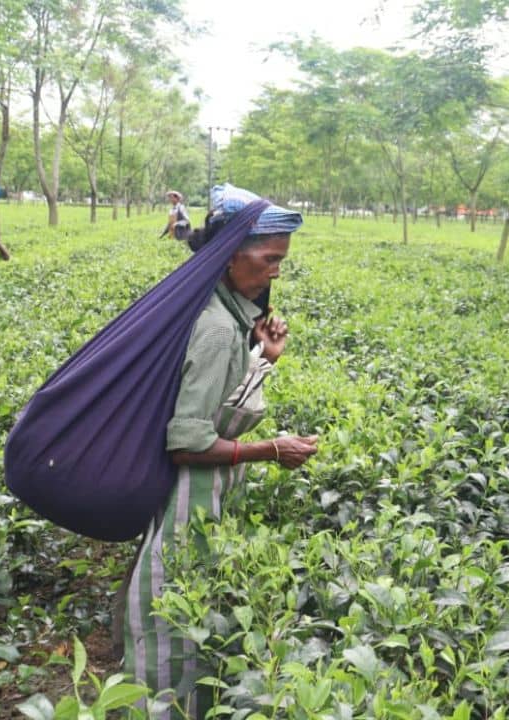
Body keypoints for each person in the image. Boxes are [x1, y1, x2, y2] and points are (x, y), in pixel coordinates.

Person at [119, 185, 319, 716]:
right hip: (189, 495)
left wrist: (264, 356)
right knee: (171, 616)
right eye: (270, 259)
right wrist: (271, 450)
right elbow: (188, 443)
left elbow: (214, 400)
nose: (276, 270)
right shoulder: (215, 329)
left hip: (203, 497)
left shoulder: (227, 316)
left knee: (192, 606)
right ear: (232, 253)